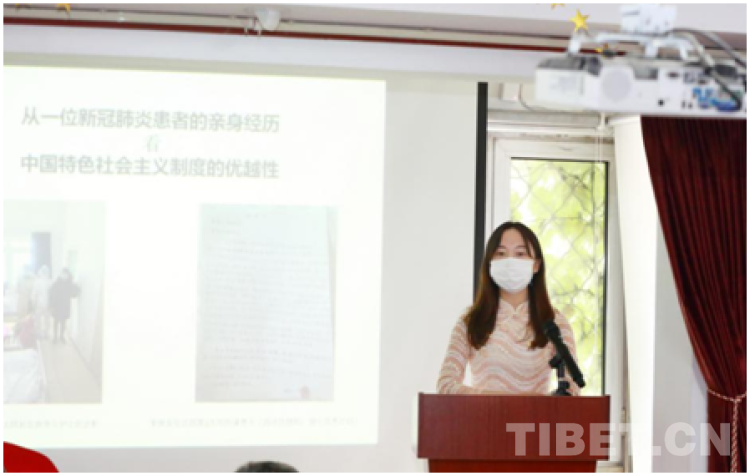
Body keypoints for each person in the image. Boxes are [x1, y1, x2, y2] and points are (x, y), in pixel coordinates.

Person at [437, 221, 580, 396]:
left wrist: (530, 403)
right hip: (484, 414)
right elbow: (446, 385)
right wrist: (498, 399)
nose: (510, 261)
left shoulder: (554, 321)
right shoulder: (471, 320)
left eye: (520, 254)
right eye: (501, 253)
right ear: (490, 264)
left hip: (537, 415)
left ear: (536, 265)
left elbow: (572, 390)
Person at [49, 269, 80, 344]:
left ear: (68, 275)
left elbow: (74, 294)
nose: (64, 275)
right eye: (63, 274)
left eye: (66, 274)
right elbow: (52, 293)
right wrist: (52, 305)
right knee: (56, 322)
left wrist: (76, 287)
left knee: (63, 322)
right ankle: (55, 337)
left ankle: (61, 336)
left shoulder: (69, 283)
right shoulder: (56, 283)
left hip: (65, 305)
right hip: (57, 305)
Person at [30, 266, 52, 340]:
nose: (44, 273)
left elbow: (34, 294)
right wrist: (33, 302)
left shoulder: (48, 281)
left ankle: (43, 333)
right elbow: (34, 293)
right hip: (42, 303)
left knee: (43, 320)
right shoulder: (42, 282)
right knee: (42, 320)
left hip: (44, 304)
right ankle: (42, 333)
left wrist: (33, 302)